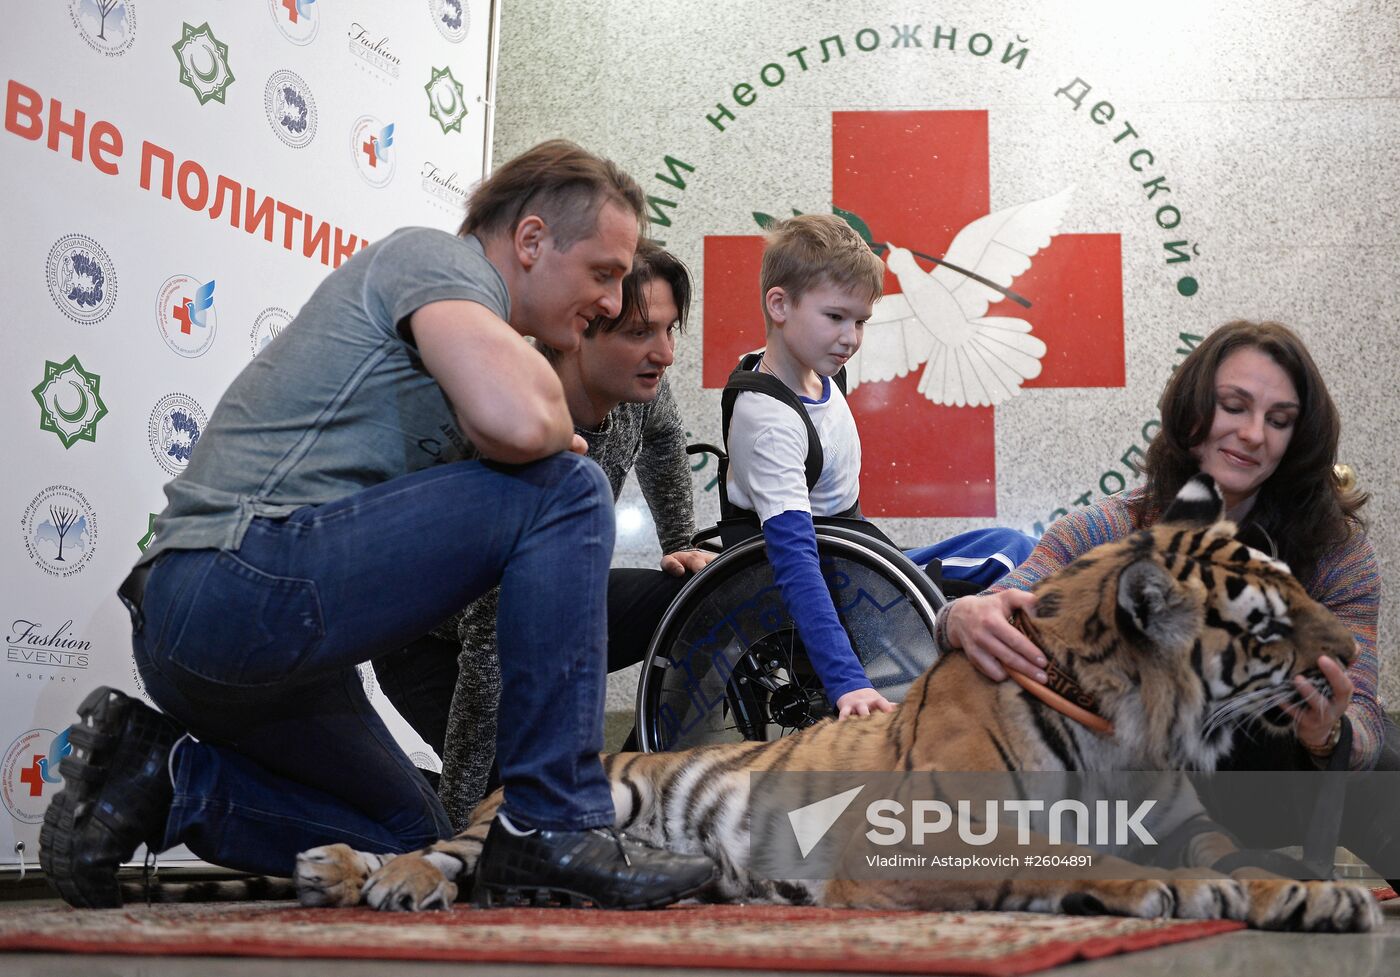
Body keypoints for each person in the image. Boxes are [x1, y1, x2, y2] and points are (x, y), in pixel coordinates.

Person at [39, 140, 715, 910]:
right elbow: (522, 423)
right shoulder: (436, 262)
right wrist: (546, 412)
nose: (609, 301)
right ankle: (554, 821)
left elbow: (526, 426)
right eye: (604, 274)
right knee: (567, 487)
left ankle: (162, 779)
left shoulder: (485, 333)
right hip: (227, 582)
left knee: (410, 835)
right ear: (530, 241)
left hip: (259, 649)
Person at [938, 319, 1399, 877]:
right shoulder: (1116, 524)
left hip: (1282, 775)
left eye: (1279, 421)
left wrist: (1328, 733)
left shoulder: (1337, 552)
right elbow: (1010, 601)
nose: (1254, 434)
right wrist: (959, 614)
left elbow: (1366, 722)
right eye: (1234, 406)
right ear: (1193, 414)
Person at [373, 243, 714, 827]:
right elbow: (487, 653)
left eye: (668, 330)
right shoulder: (513, 422)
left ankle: (632, 796)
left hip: (535, 615)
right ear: (580, 331)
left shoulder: (638, 391)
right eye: (640, 333)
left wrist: (680, 538)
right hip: (426, 641)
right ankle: (430, 809)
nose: (665, 353)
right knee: (510, 813)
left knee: (703, 599)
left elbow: (661, 437)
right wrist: (462, 835)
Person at [724, 214, 1034, 721]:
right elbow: (795, 561)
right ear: (779, 305)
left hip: (860, 558)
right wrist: (847, 683)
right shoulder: (770, 420)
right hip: (848, 584)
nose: (850, 338)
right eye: (835, 317)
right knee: (1011, 560)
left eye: (861, 321)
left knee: (1013, 544)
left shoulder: (795, 367)